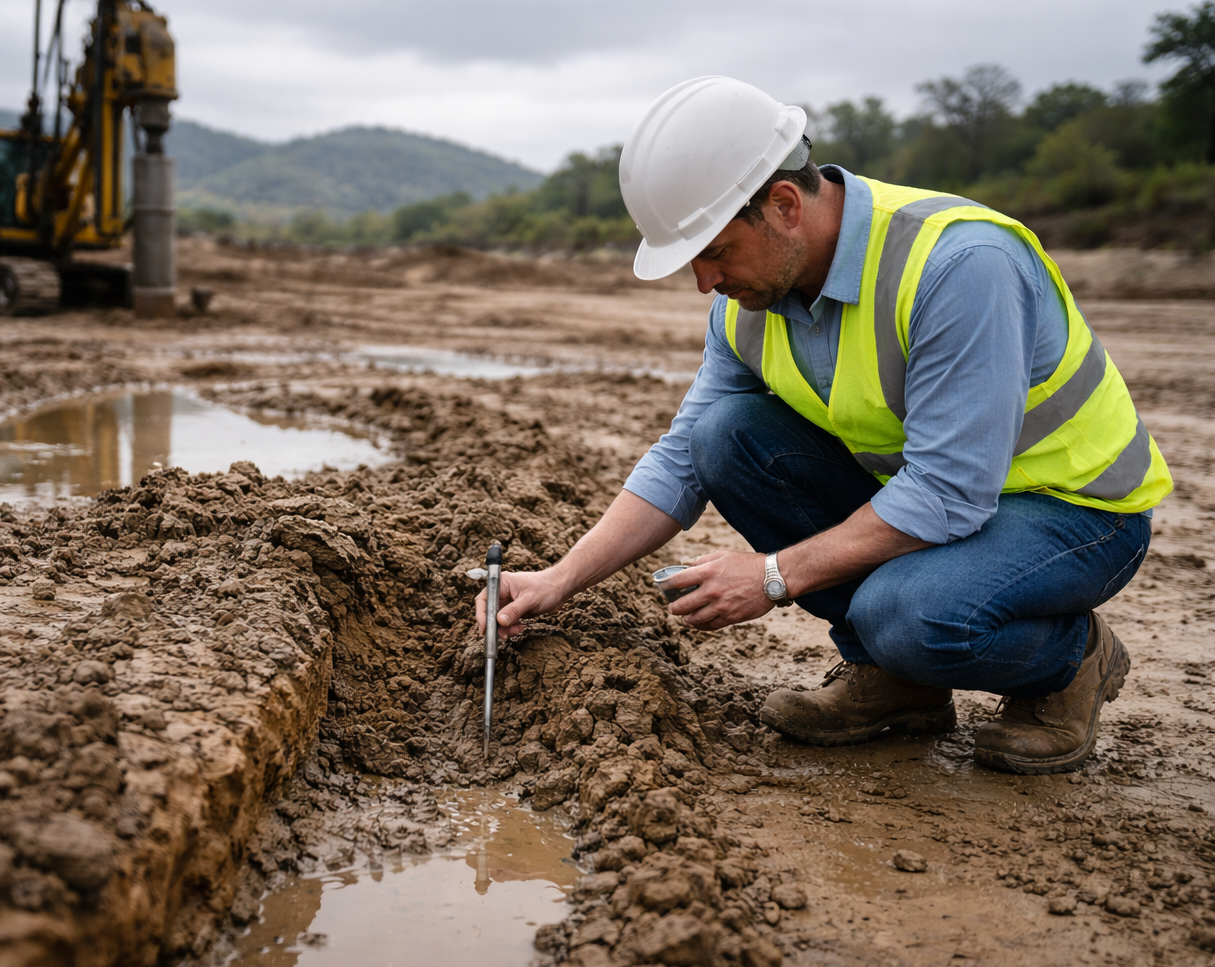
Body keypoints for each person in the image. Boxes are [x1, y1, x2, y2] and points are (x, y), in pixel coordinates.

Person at [476, 77, 1171, 775]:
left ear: (783, 205)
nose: (703, 282)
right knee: (728, 434)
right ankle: (901, 684)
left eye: (714, 251)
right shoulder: (747, 306)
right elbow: (684, 457)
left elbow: (949, 491)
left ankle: (1071, 659)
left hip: (1075, 513)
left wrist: (774, 576)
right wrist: (558, 580)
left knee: (908, 617)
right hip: (948, 504)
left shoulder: (959, 265)